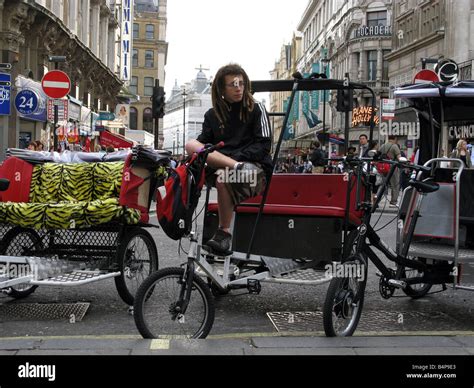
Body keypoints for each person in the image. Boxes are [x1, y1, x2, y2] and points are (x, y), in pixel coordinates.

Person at [185, 64, 272, 254]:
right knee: (191, 145)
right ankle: (182, 220)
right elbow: (200, 145)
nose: (238, 88)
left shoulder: (257, 108)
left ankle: (224, 233)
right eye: (233, 84)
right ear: (222, 89)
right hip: (227, 167)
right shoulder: (212, 115)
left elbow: (264, 145)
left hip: (254, 172)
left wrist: (233, 159)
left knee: (224, 177)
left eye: (241, 83)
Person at [379, 136, 402, 207]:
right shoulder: (394, 146)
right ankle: (393, 202)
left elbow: (379, 155)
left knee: (382, 184)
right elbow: (399, 158)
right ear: (395, 139)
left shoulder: (382, 146)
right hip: (392, 167)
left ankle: (376, 200)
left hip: (383, 167)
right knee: (395, 185)